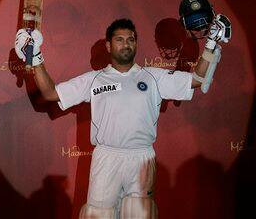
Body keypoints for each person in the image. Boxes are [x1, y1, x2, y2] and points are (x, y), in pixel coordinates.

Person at [14, 15, 231, 218]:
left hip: (142, 159)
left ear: (136, 44)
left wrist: (211, 42)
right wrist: (35, 58)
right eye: (119, 39)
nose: (126, 44)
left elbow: (197, 79)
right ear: (109, 46)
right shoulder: (94, 79)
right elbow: (51, 93)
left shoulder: (153, 76)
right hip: (107, 159)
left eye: (130, 40)